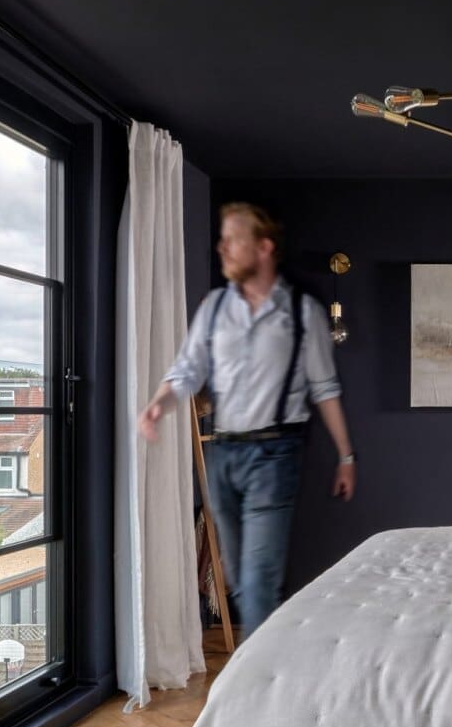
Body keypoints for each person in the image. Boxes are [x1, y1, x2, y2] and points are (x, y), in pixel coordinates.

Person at [138, 202, 354, 640]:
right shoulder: (215, 307)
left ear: (263, 248)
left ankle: (259, 683)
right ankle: (267, 663)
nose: (222, 247)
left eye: (233, 239)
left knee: (259, 578)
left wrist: (346, 455)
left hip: (276, 453)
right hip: (223, 453)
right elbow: (187, 369)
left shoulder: (302, 312)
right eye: (222, 238)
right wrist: (160, 402)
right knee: (238, 574)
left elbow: (325, 387)